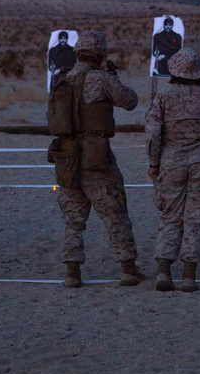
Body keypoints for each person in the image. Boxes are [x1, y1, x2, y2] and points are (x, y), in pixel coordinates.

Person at [56, 30, 144, 288]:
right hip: (95, 155)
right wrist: (112, 78)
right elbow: (129, 101)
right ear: (101, 54)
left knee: (73, 218)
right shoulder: (100, 79)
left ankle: (72, 273)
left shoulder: (63, 79)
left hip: (67, 155)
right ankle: (129, 269)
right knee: (115, 212)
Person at [146, 48, 200, 292]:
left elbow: (153, 135)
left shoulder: (162, 98)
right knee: (196, 217)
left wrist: (153, 163)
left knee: (170, 215)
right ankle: (189, 276)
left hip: (171, 162)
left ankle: (163, 271)